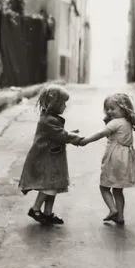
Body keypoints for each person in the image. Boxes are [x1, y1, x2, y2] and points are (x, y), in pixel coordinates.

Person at [19, 84, 82, 225]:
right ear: (55, 104)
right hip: (45, 159)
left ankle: (47, 213)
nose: (65, 106)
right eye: (63, 103)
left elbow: (57, 134)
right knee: (49, 186)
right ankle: (35, 209)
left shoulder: (50, 118)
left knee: (53, 186)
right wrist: (76, 139)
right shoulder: (48, 120)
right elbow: (61, 135)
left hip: (51, 158)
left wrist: (70, 134)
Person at [79, 93, 135, 225]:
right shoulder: (127, 122)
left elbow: (101, 133)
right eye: (107, 109)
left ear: (123, 109)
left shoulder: (115, 123)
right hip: (126, 158)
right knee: (118, 189)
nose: (109, 111)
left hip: (114, 158)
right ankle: (120, 216)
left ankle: (113, 209)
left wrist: (85, 141)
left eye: (113, 108)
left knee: (104, 186)